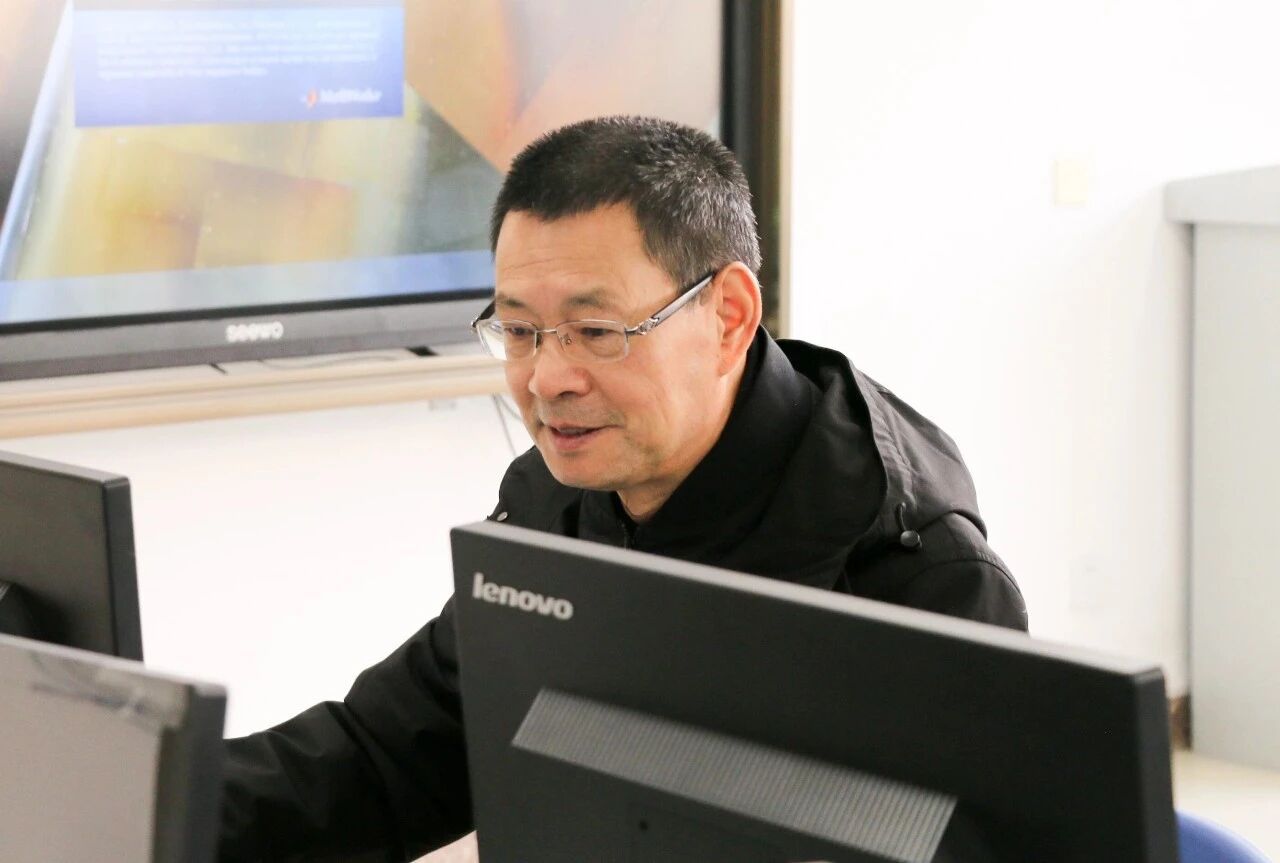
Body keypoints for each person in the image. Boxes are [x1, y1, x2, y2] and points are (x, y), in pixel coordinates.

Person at [219, 116, 1027, 862]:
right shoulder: (554, 499)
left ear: (729, 317)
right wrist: (164, 790)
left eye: (597, 332)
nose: (548, 379)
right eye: (520, 331)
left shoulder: (917, 576)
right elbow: (386, 756)